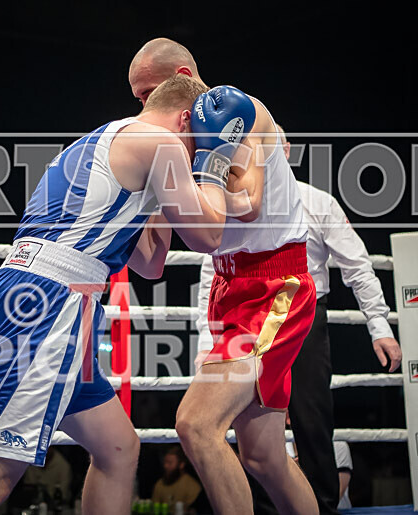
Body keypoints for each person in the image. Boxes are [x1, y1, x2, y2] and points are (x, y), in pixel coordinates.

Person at [0, 74, 257, 515]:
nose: (192, 150)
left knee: (118, 449)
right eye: (196, 139)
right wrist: (211, 159)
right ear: (187, 120)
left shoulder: (101, 142)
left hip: (39, 297)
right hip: (48, 306)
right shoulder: (164, 144)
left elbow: (151, 264)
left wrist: (164, 198)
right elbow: (210, 236)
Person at [130, 38, 318, 514]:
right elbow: (153, 263)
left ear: (185, 77)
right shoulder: (163, 139)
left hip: (275, 287)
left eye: (151, 90)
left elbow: (249, 205)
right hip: (227, 286)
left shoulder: (240, 112)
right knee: (263, 455)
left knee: (196, 423)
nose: (144, 105)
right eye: (137, 97)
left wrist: (200, 172)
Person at [197, 126, 402, 513]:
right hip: (243, 316)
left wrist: (379, 326)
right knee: (250, 424)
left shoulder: (317, 202)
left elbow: (357, 266)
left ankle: (324, 506)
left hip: (304, 317)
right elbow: (213, 272)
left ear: (285, 151)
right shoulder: (229, 202)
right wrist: (206, 342)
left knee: (311, 416)